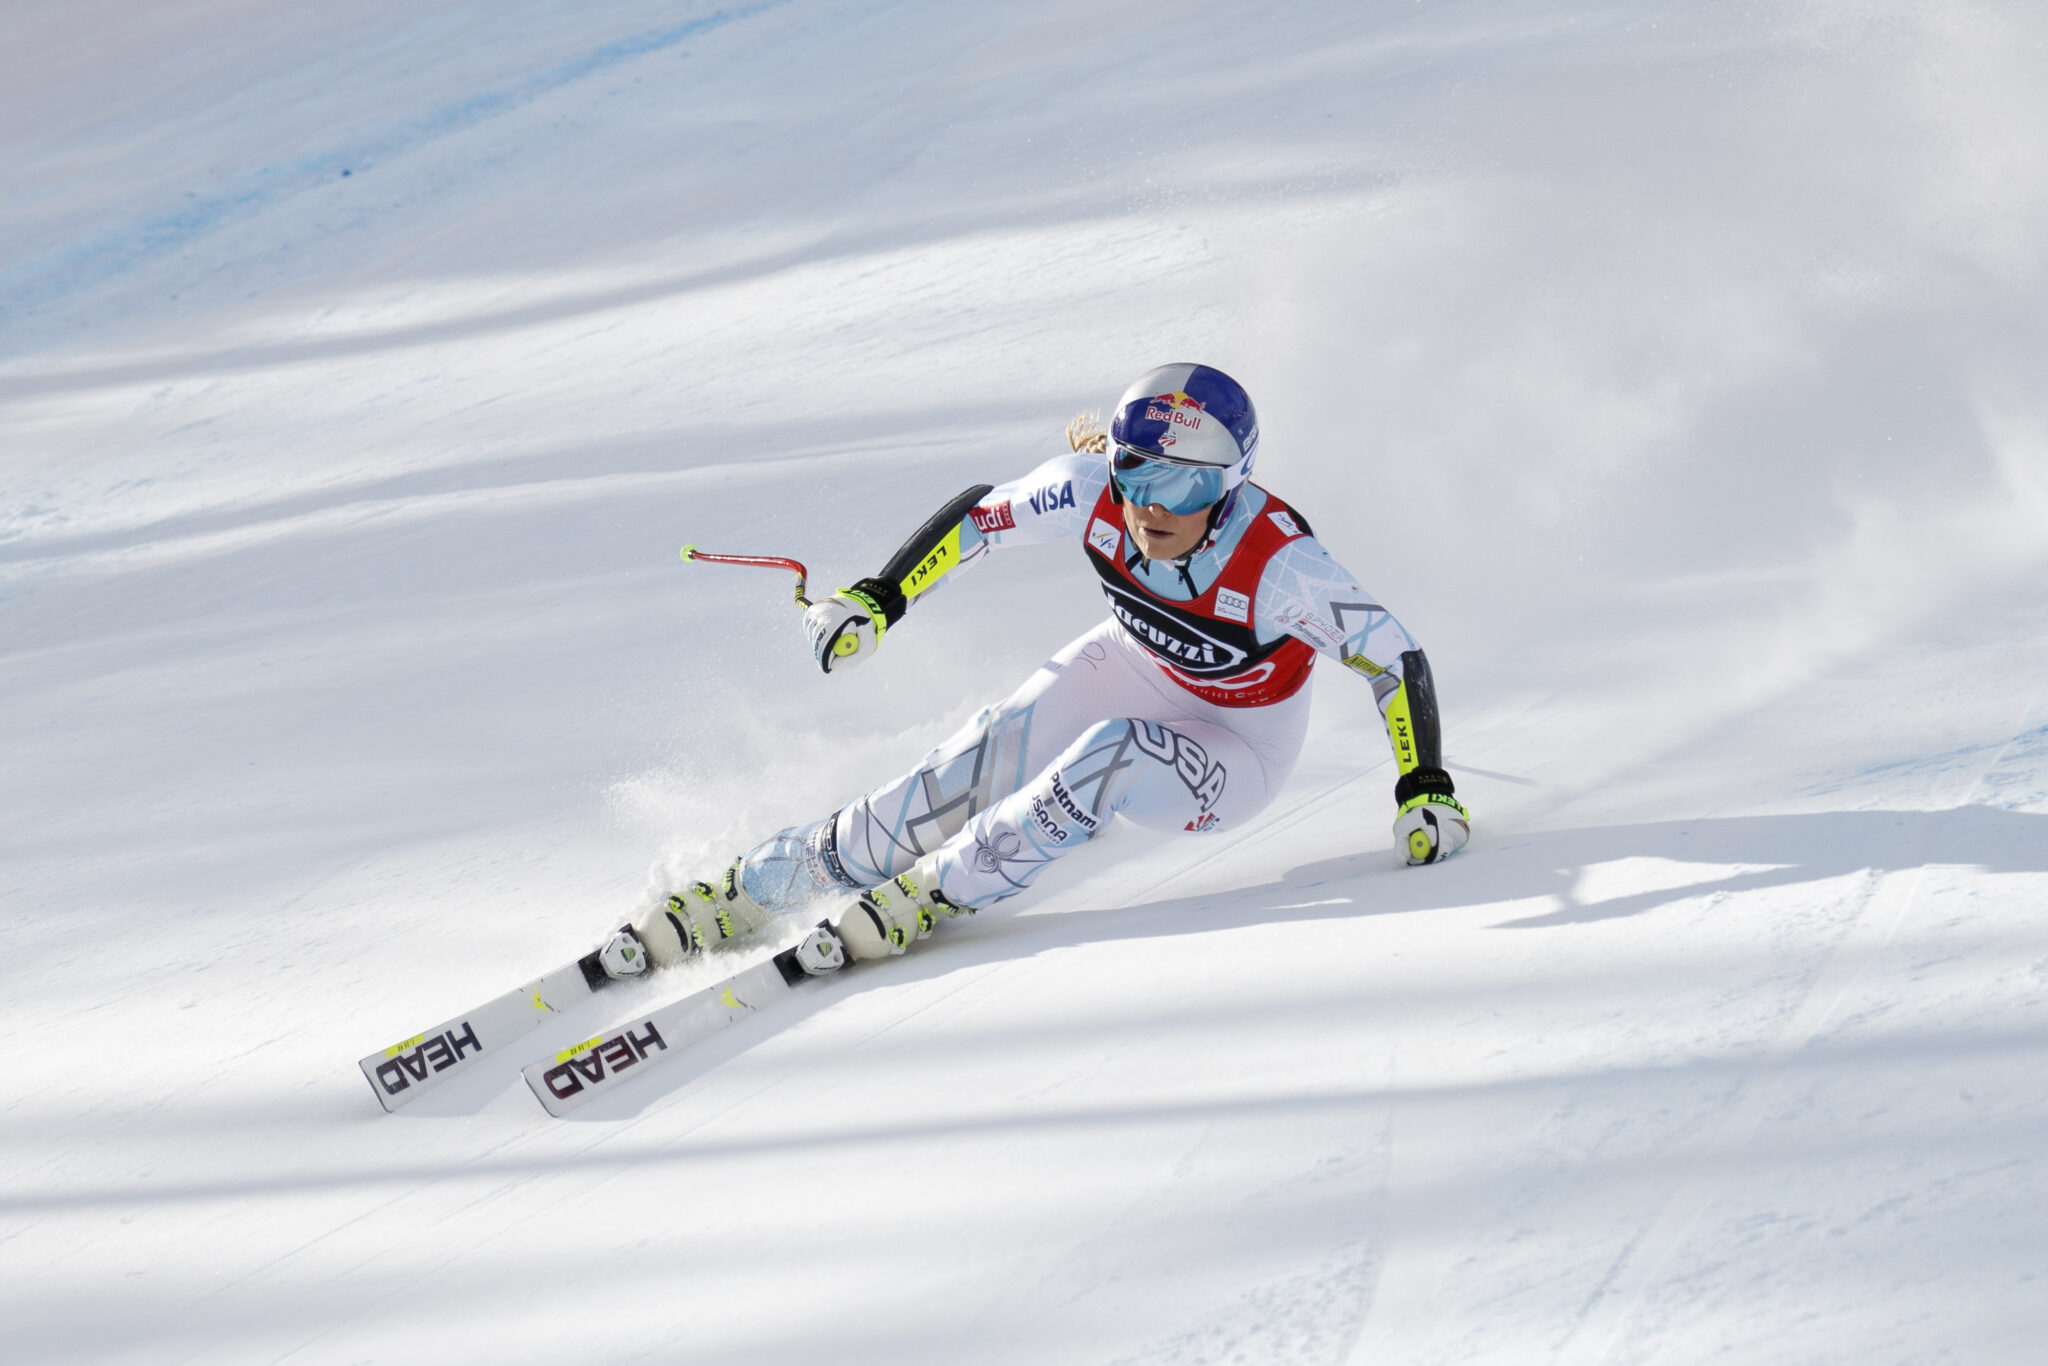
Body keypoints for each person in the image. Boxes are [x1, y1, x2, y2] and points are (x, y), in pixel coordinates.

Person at [595, 363, 1470, 982]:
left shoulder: (1282, 570)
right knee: (974, 762)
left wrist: (1424, 786)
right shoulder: (1089, 491)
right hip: (1136, 664)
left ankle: (938, 892)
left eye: (1189, 487)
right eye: (1140, 472)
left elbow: (1394, 659)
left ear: (1234, 488)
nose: (1156, 506)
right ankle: (762, 887)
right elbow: (980, 517)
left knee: (1109, 757)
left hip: (1240, 746)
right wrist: (879, 600)